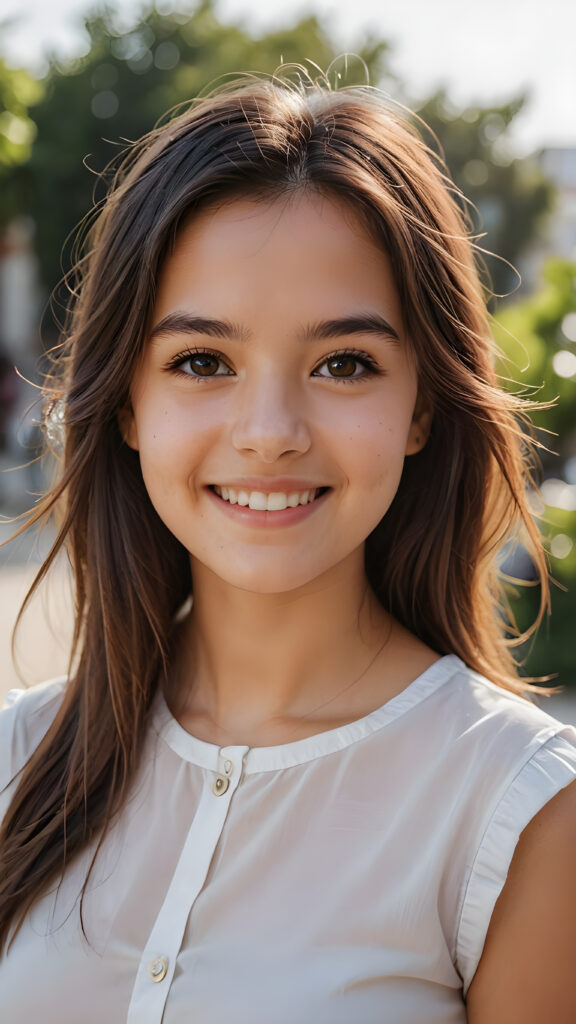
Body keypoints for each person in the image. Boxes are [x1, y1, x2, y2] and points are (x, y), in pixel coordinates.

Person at [0, 70, 575, 1023]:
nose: (269, 430)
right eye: (202, 362)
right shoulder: (17, 760)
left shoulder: (517, 812)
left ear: (422, 407)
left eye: (344, 364)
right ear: (130, 404)